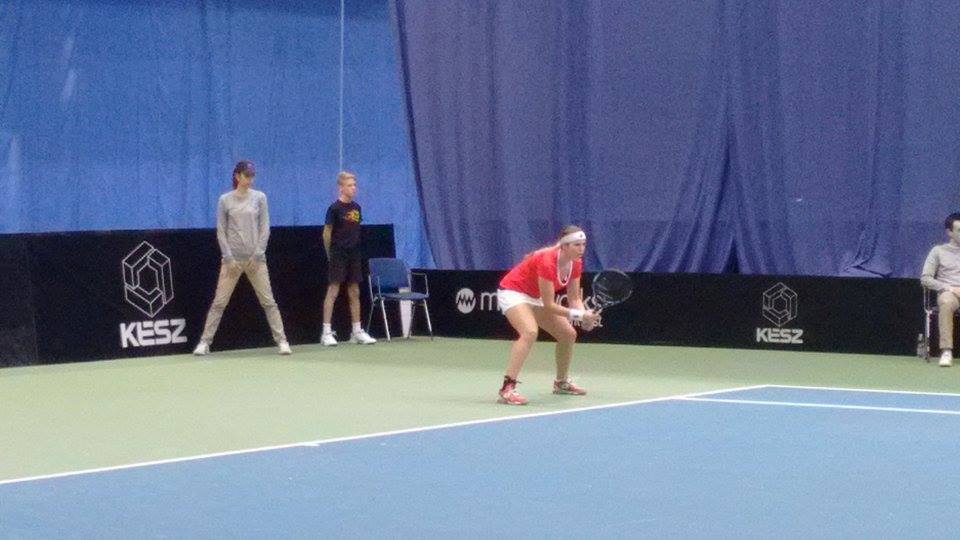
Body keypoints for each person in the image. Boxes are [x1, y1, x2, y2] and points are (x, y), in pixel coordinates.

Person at [193, 160, 291, 356]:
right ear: (237, 176)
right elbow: (221, 231)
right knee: (219, 303)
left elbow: (265, 228)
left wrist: (258, 255)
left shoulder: (260, 198)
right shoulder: (225, 200)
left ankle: (282, 341)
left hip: (256, 261)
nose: (250, 179)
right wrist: (228, 258)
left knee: (269, 302)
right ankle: (204, 342)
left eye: (252, 175)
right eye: (246, 175)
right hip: (232, 262)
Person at [495, 225, 601, 405]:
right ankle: (507, 388)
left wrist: (584, 315)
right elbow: (550, 305)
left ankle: (561, 383)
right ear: (564, 246)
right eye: (577, 245)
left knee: (568, 334)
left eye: (583, 244)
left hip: (534, 296)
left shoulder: (576, 263)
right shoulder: (547, 261)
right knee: (529, 332)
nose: (581, 249)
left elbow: (574, 298)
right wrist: (579, 316)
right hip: (513, 292)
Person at [320, 171, 377, 346]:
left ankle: (356, 331)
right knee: (333, 290)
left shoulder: (357, 208)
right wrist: (330, 254)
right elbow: (326, 234)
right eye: (350, 185)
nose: (353, 188)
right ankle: (326, 333)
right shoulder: (334, 209)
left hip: (354, 254)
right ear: (341, 188)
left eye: (354, 185)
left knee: (354, 291)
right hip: (338, 253)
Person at [921, 212, 960, 367]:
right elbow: (925, 278)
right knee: (945, 302)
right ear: (949, 232)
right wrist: (949, 288)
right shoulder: (938, 251)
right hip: (949, 293)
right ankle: (946, 351)